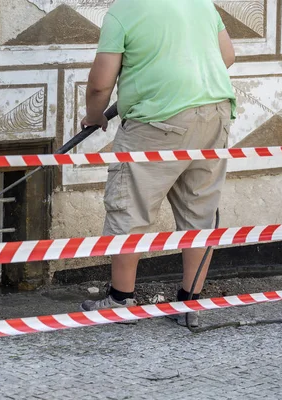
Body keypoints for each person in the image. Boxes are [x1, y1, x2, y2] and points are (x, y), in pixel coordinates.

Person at [79, 0, 237, 327]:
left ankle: (121, 301)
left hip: (156, 123)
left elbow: (100, 83)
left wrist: (94, 115)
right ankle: (189, 305)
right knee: (199, 212)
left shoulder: (123, 12)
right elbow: (227, 57)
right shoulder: (200, 4)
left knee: (129, 209)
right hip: (214, 115)